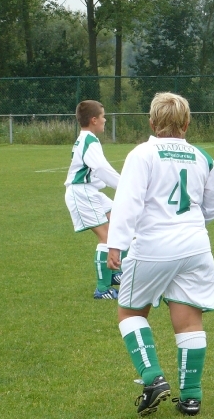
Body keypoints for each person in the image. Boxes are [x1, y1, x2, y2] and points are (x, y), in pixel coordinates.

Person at [106, 92, 214, 417]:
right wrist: (190, 224)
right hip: (196, 246)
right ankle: (191, 397)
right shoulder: (202, 157)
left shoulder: (142, 154)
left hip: (154, 246)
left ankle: (153, 378)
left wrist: (114, 243)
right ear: (186, 124)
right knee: (188, 322)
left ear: (151, 122)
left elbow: (128, 202)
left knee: (130, 313)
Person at [64, 100, 123, 300]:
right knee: (106, 237)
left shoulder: (88, 139)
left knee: (119, 222)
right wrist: (125, 186)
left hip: (90, 191)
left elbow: (98, 171)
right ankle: (102, 288)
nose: (105, 119)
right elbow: (101, 169)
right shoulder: (89, 141)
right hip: (82, 193)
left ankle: (114, 272)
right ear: (94, 120)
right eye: (103, 116)